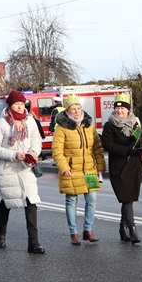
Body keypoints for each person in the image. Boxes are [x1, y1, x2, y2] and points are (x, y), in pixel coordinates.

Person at [0, 90, 44, 254]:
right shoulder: (3, 123)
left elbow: (37, 140)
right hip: (7, 170)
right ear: (10, 105)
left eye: (22, 104)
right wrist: (13, 154)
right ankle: (1, 235)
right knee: (6, 203)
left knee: (31, 202)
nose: (20, 107)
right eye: (16, 104)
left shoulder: (30, 121)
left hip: (26, 168)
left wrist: (34, 152)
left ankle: (33, 242)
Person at [52, 94, 105, 245]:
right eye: (73, 108)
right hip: (72, 169)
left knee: (92, 199)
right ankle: (73, 232)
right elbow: (57, 151)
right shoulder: (61, 128)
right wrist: (64, 167)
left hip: (89, 168)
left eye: (78, 108)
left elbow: (97, 147)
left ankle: (88, 230)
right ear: (67, 110)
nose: (76, 111)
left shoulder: (89, 125)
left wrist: (100, 165)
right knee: (71, 201)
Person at [101, 94, 142, 244]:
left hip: (134, 165)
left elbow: (141, 140)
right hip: (119, 166)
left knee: (129, 198)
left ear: (128, 110)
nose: (119, 111)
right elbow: (107, 144)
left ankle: (122, 228)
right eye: (117, 108)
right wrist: (126, 150)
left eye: (122, 108)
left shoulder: (135, 123)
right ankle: (132, 229)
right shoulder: (109, 125)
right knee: (126, 198)